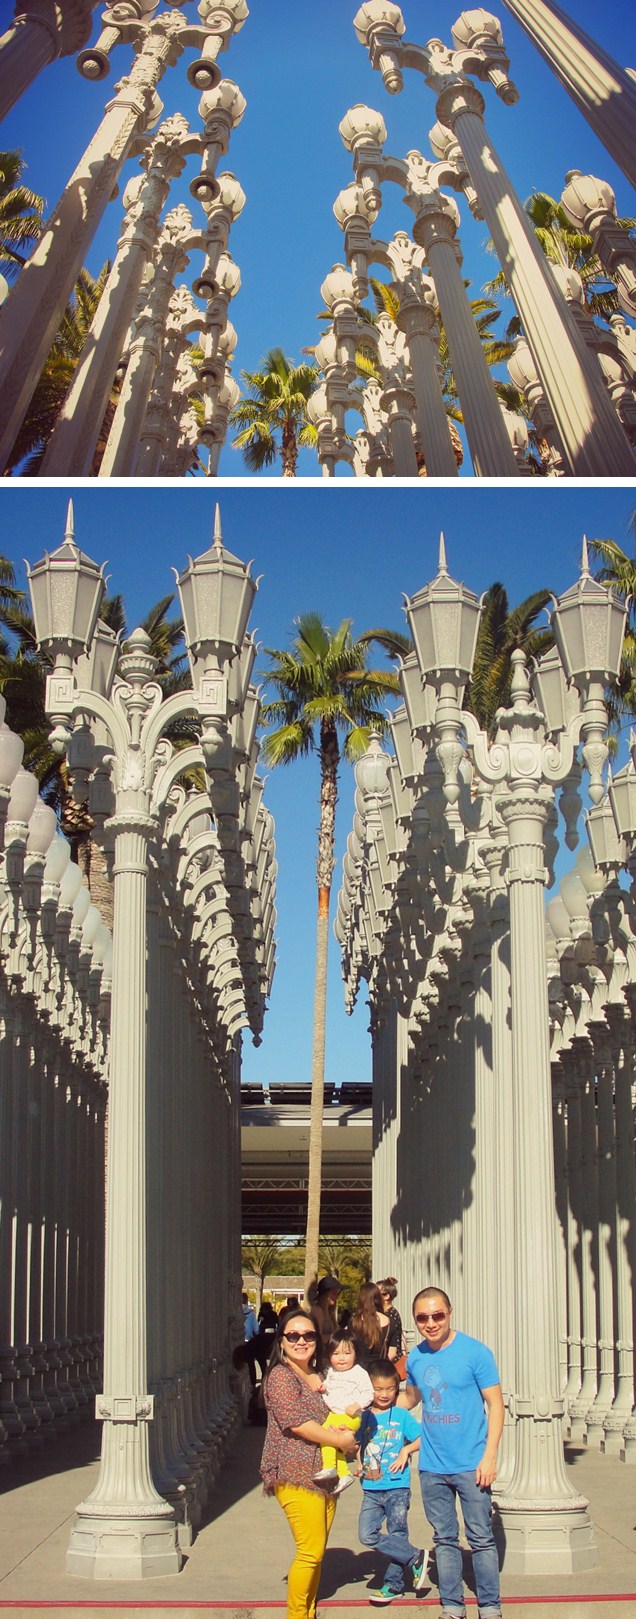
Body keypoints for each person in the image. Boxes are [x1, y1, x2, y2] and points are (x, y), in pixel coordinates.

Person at [401, 1287, 504, 1619]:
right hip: (432, 1465)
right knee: (444, 1538)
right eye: (422, 1318)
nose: (430, 1323)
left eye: (437, 1315)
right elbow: (411, 1398)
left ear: (450, 1312)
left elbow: (496, 1405)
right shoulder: (415, 1357)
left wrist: (489, 1456)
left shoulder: (476, 1353)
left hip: (472, 1463)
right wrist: (372, 1411)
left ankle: (489, 1606)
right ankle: (452, 1605)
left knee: (480, 1538)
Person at [261, 1306, 358, 1619]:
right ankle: (297, 1615)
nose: (301, 1341)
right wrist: (340, 1441)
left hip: (325, 1474)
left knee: (316, 1554)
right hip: (294, 1473)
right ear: (281, 1342)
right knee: (311, 1550)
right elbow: (297, 1422)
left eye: (308, 1335)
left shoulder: (321, 1375)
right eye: (293, 1335)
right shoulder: (280, 1377)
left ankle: (310, 1610)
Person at [356, 1357, 429, 1606]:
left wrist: (406, 1452)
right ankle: (415, 1557)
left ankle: (394, 1584)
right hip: (371, 1487)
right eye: (378, 1389)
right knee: (367, 1535)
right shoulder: (364, 1417)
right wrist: (355, 1462)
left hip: (397, 1485)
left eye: (390, 1389)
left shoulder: (400, 1415)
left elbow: (422, 1438)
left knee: (397, 1532)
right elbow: (354, 1444)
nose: (384, 1394)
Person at [314, 1329, 374, 1494]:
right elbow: (329, 1386)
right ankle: (344, 1474)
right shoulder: (332, 1372)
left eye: (347, 1353)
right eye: (336, 1353)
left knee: (325, 1434)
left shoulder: (359, 1373)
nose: (341, 1358)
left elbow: (369, 1393)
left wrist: (357, 1405)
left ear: (355, 1354)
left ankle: (329, 1467)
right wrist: (323, 1387)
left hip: (350, 1415)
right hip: (335, 1413)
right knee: (335, 1443)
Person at [352, 1283, 401, 1370]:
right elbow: (392, 1353)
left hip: (359, 1370)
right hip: (380, 1371)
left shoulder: (354, 1321)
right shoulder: (390, 1322)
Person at [377, 1279, 405, 1357]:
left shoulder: (391, 1315)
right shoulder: (386, 1313)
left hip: (391, 1361)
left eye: (376, 1294)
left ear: (386, 1296)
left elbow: (392, 1346)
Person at [312, 1275, 342, 1350]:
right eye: (334, 1294)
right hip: (321, 1353)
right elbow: (317, 1337)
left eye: (337, 1294)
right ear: (325, 1294)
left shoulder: (329, 1311)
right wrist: (334, 1337)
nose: (336, 1297)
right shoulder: (318, 1311)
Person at [242, 1291, 259, 1387]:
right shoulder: (250, 1314)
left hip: (239, 1340)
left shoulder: (235, 1312)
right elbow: (256, 1329)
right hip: (249, 1340)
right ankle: (252, 1383)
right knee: (250, 1363)